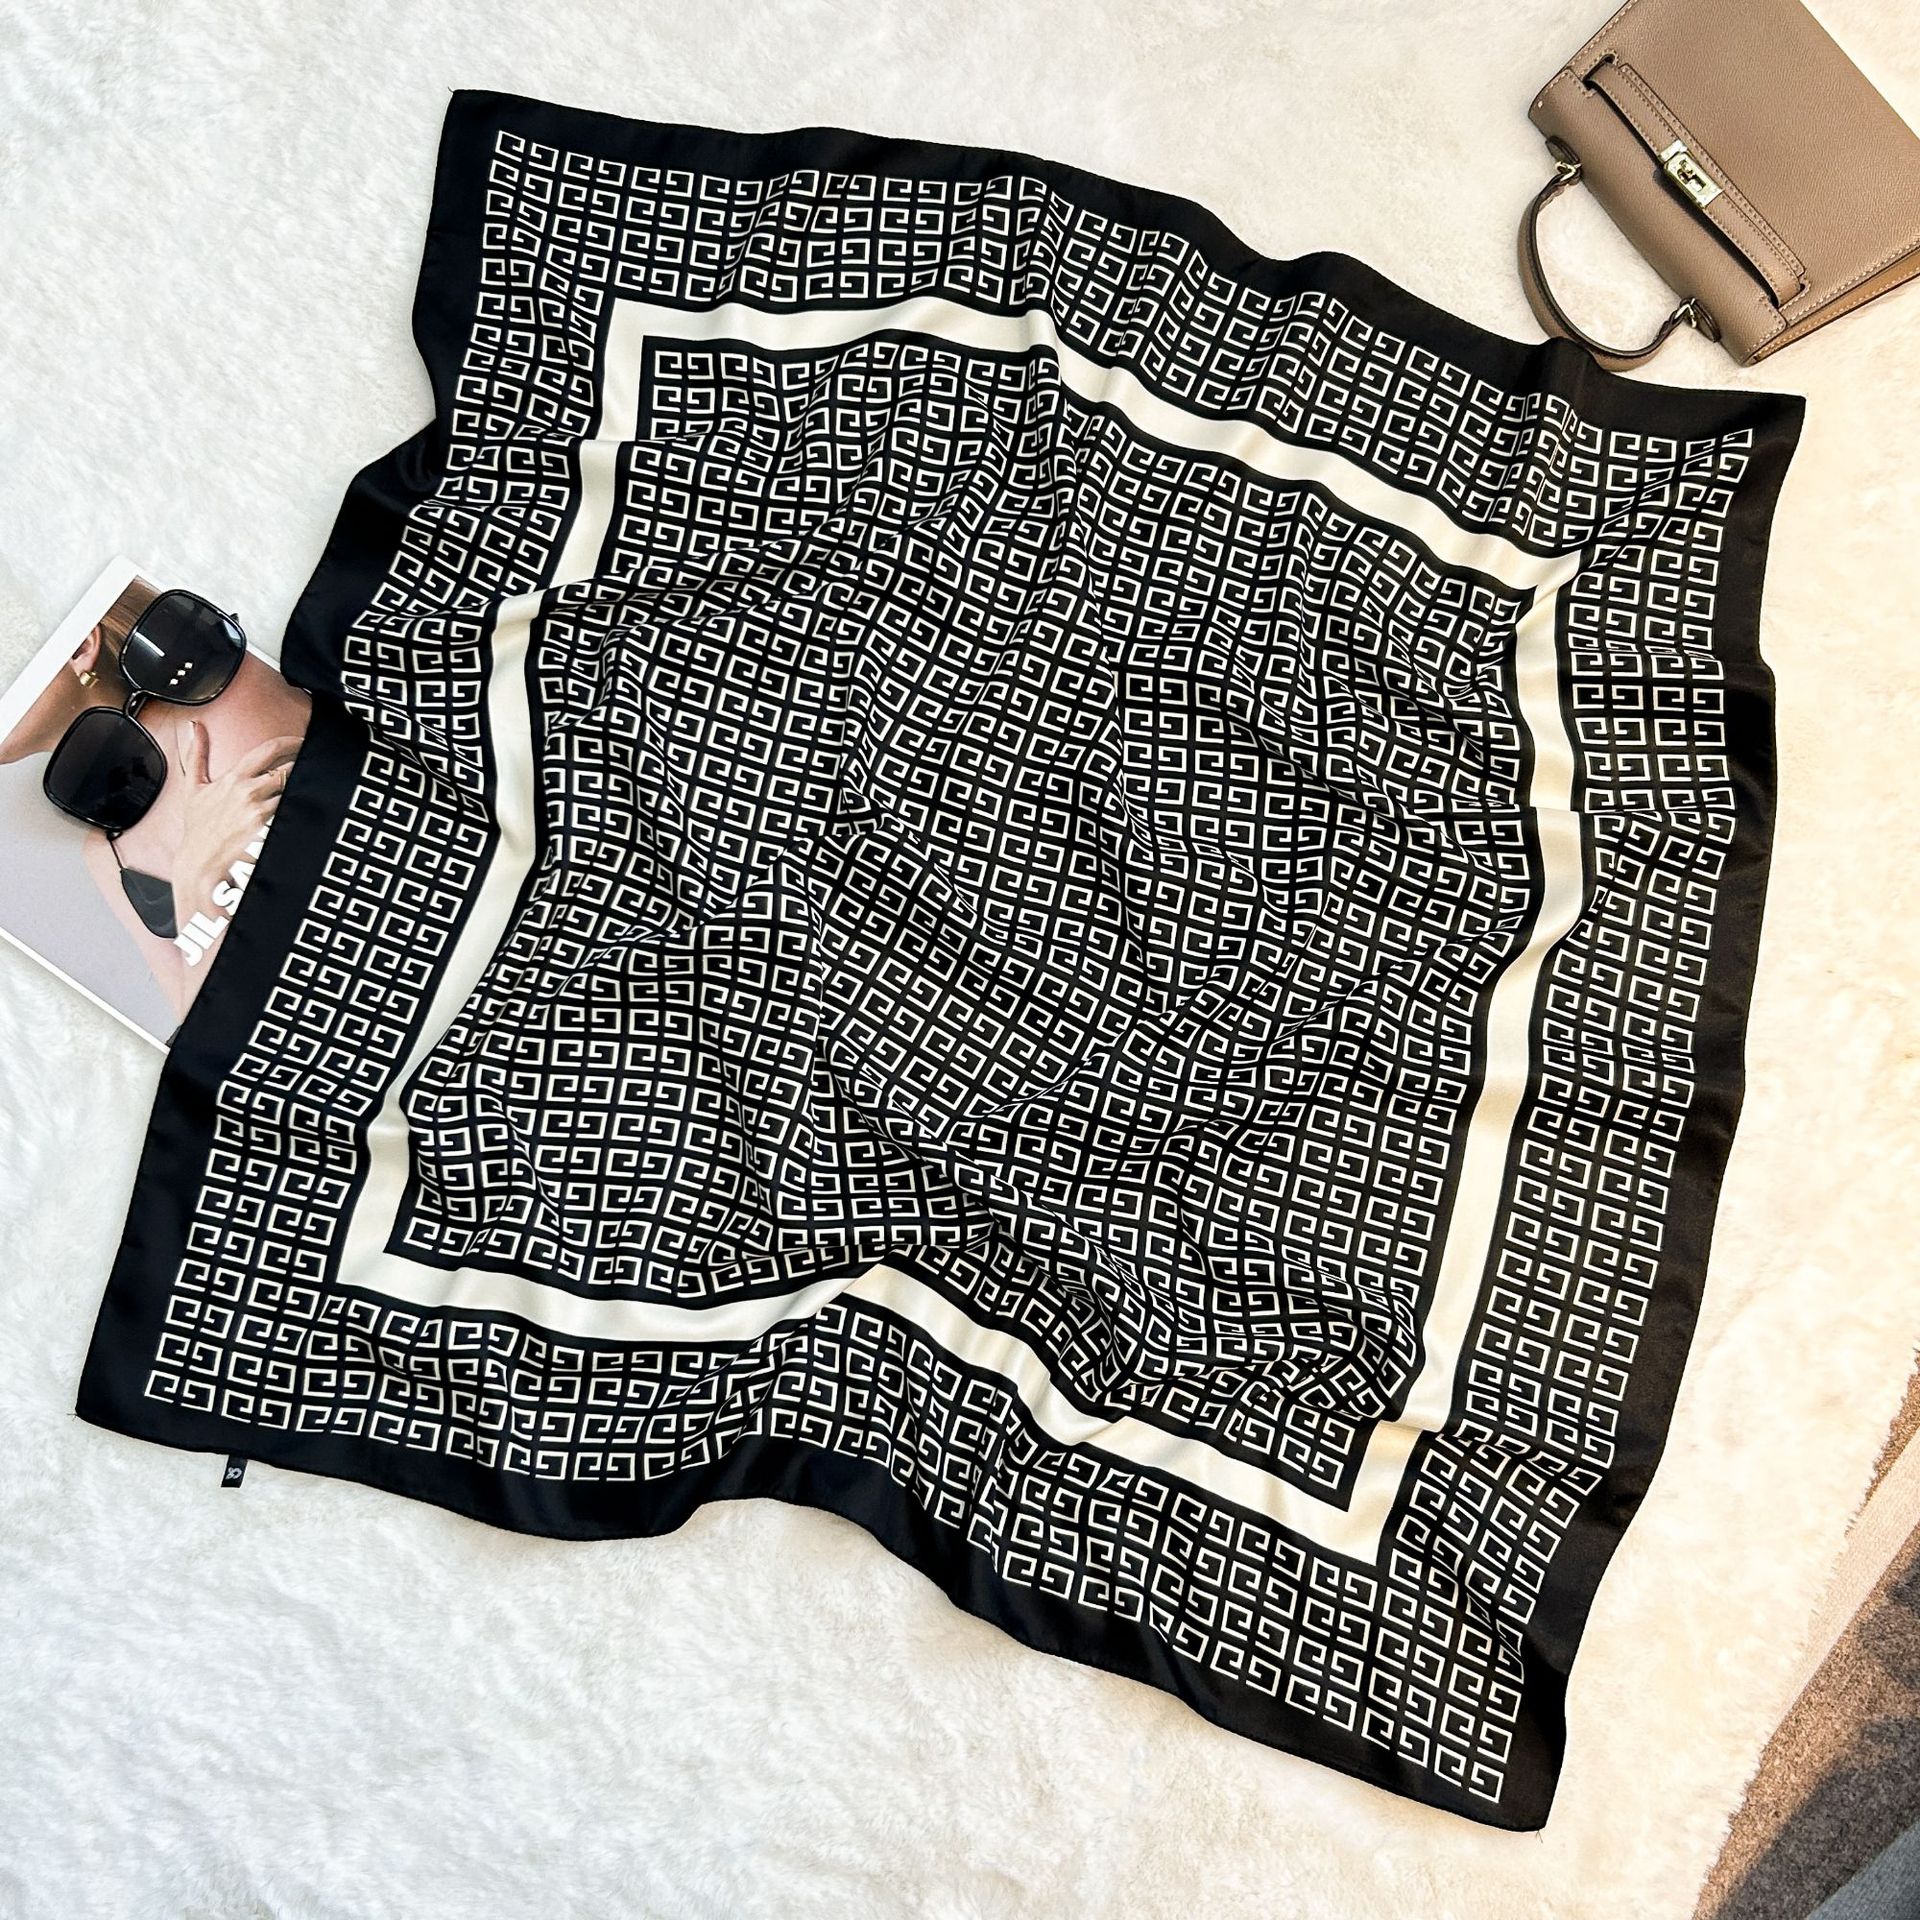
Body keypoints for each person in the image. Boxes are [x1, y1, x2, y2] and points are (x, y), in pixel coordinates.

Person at [0, 577, 309, 1025]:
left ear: (79, 648)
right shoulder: (103, 850)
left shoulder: (225, 699)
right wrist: (195, 878)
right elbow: (194, 1019)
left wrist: (199, 891)